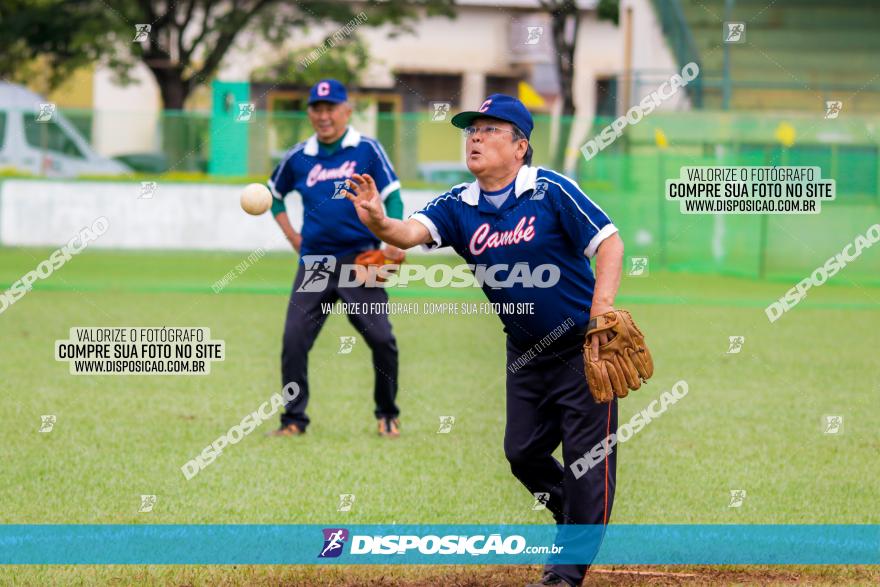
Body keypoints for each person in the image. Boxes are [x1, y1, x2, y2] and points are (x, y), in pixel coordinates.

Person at [343, 94, 625, 586]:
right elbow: (408, 233)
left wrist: (602, 310)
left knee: (588, 463)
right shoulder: (458, 204)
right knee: (522, 453)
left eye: (490, 129)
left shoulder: (551, 190)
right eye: (471, 130)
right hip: (525, 354)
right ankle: (576, 520)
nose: (474, 136)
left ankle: (567, 569)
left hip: (585, 347)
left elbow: (609, 241)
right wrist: (376, 221)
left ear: (520, 147)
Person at [267, 79, 405, 438]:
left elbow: (392, 195)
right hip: (314, 263)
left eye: (331, 108)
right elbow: (274, 196)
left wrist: (393, 237)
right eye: (317, 108)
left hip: (361, 261)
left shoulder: (367, 150)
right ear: (310, 113)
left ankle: (387, 412)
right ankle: (293, 419)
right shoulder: (298, 156)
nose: (323, 115)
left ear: (347, 111)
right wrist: (293, 237)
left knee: (382, 340)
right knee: (293, 340)